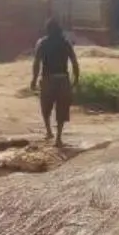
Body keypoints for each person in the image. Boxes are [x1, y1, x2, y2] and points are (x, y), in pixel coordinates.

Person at [31, 18, 79, 147]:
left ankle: (48, 131)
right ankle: (58, 138)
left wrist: (34, 79)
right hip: (63, 79)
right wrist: (76, 78)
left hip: (47, 79)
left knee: (45, 106)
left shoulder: (42, 43)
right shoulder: (65, 43)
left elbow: (36, 63)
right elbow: (74, 61)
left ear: (47, 29)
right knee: (62, 108)